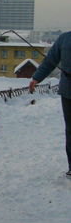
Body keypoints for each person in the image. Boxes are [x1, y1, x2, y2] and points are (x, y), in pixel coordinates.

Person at [29, 31, 71, 179]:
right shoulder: (64, 39)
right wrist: (36, 78)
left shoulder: (65, 38)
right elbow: (50, 61)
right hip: (68, 92)